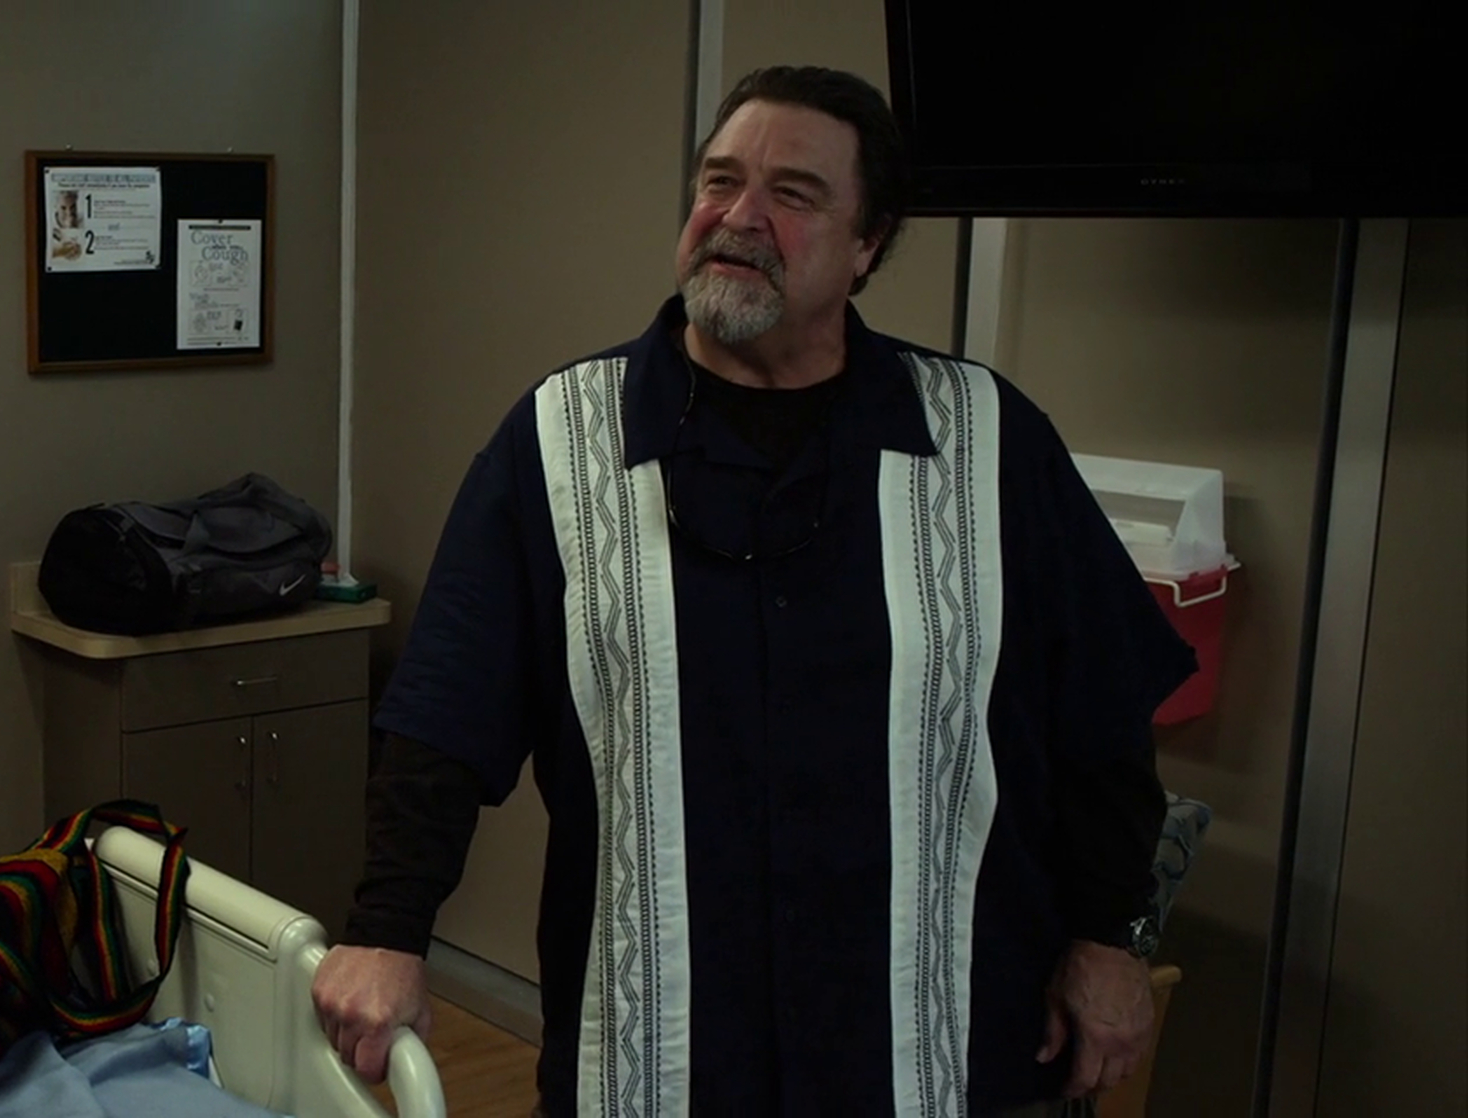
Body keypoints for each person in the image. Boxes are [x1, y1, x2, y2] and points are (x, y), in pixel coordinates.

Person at [309, 65, 1195, 1118]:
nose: (738, 217)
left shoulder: (986, 440)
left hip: (936, 1043)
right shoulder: (560, 440)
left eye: (794, 194)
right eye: (719, 181)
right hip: (660, 1050)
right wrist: (386, 929)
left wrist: (1109, 935)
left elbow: (1101, 720)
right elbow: (441, 726)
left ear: (867, 245)